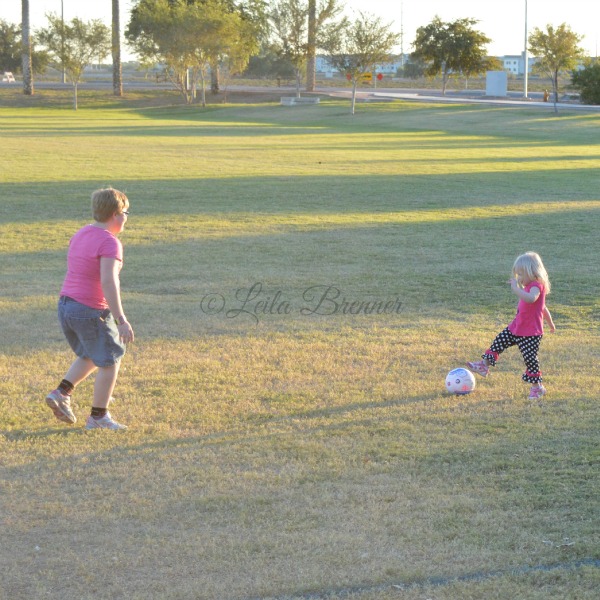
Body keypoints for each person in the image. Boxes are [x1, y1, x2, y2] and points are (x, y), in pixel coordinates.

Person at [45, 188, 134, 430]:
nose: (126, 217)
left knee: (92, 354)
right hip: (89, 310)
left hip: (66, 305)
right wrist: (120, 319)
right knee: (111, 359)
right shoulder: (110, 242)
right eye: (125, 212)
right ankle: (98, 417)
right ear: (115, 214)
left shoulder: (82, 233)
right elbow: (108, 281)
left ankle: (61, 393)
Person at [467, 252, 556, 400]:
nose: (518, 278)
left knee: (530, 359)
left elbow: (531, 299)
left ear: (531, 271)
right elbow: (543, 307)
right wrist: (550, 322)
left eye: (521, 274)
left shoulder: (536, 286)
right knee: (498, 342)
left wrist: (515, 288)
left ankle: (537, 388)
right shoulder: (528, 286)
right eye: (517, 275)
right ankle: (484, 365)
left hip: (530, 333)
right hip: (516, 327)